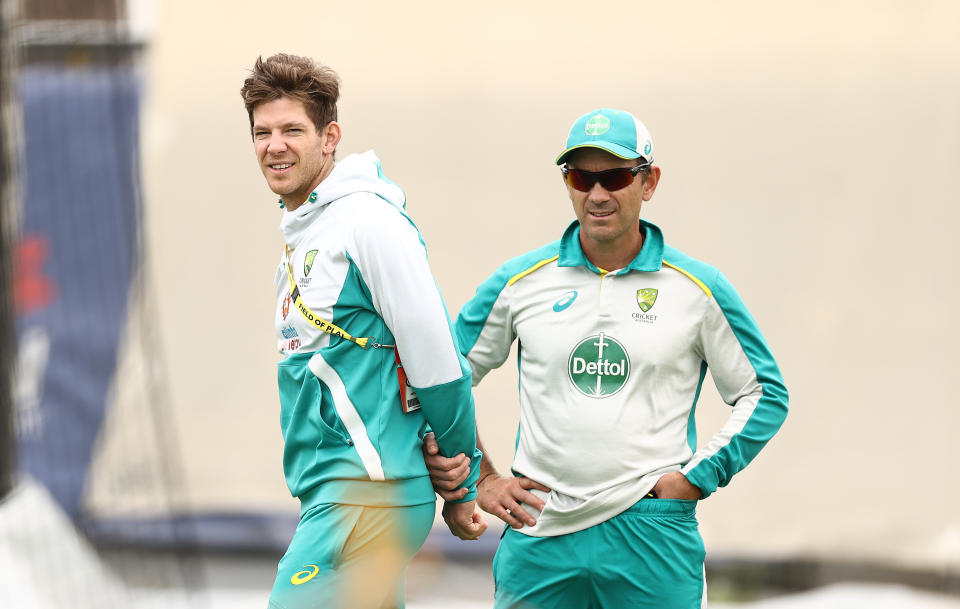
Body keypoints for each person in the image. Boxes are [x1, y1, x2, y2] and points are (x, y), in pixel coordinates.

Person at [424, 108, 789, 608]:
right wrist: (479, 479)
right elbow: (441, 377)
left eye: (615, 176)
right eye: (581, 177)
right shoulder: (520, 281)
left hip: (651, 530)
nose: (597, 194)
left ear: (649, 181)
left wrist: (696, 478)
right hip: (539, 527)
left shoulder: (699, 289)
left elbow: (764, 393)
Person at [240, 53, 486, 609]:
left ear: (330, 137)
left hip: (366, 496)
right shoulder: (304, 234)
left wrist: (462, 483)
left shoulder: (368, 222)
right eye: (262, 132)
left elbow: (437, 361)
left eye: (292, 130)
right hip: (335, 493)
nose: (274, 145)